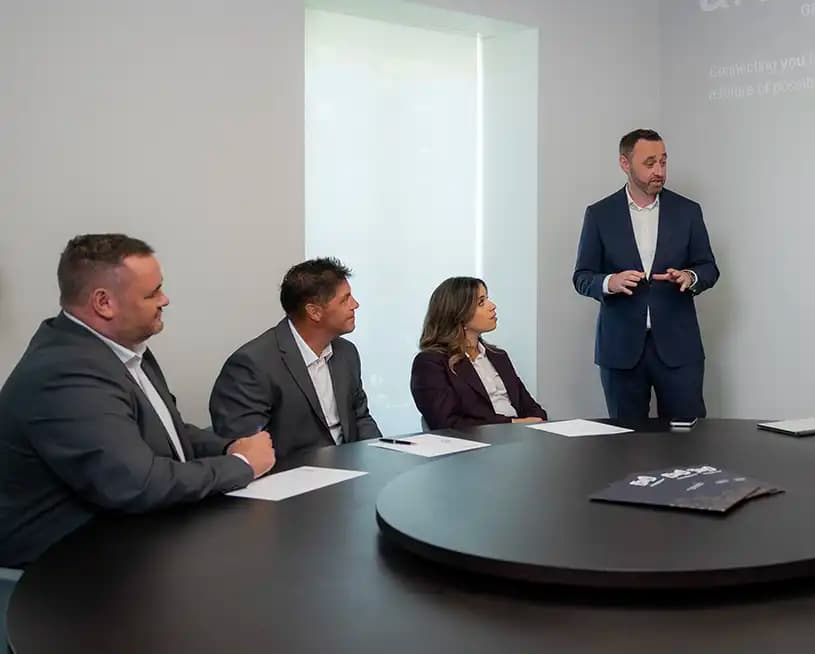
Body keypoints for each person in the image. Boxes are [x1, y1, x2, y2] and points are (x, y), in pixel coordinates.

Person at [0, 234, 274, 568]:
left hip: (132, 544)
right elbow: (136, 483)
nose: (165, 299)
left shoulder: (124, 347)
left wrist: (230, 447)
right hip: (63, 580)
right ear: (104, 303)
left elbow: (168, 430)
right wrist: (241, 466)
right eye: (153, 292)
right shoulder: (64, 372)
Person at [572, 129, 719, 420]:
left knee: (688, 438)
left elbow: (708, 267)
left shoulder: (687, 211)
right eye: (650, 163)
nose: (659, 171)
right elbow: (582, 276)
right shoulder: (600, 214)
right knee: (625, 445)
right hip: (620, 351)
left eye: (663, 162)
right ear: (625, 164)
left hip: (679, 349)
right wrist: (609, 282)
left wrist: (690, 277)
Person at [209, 257, 382, 458]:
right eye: (345, 299)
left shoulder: (347, 353)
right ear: (314, 312)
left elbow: (360, 418)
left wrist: (377, 458)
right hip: (288, 482)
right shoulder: (252, 366)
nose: (355, 304)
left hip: (350, 476)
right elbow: (246, 451)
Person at [411, 277, 547, 428]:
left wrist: (537, 421)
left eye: (487, 299)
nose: (492, 306)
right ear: (459, 314)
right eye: (481, 302)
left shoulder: (498, 356)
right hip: (474, 446)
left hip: (521, 438)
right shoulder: (431, 363)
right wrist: (512, 424)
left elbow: (531, 408)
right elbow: (447, 423)